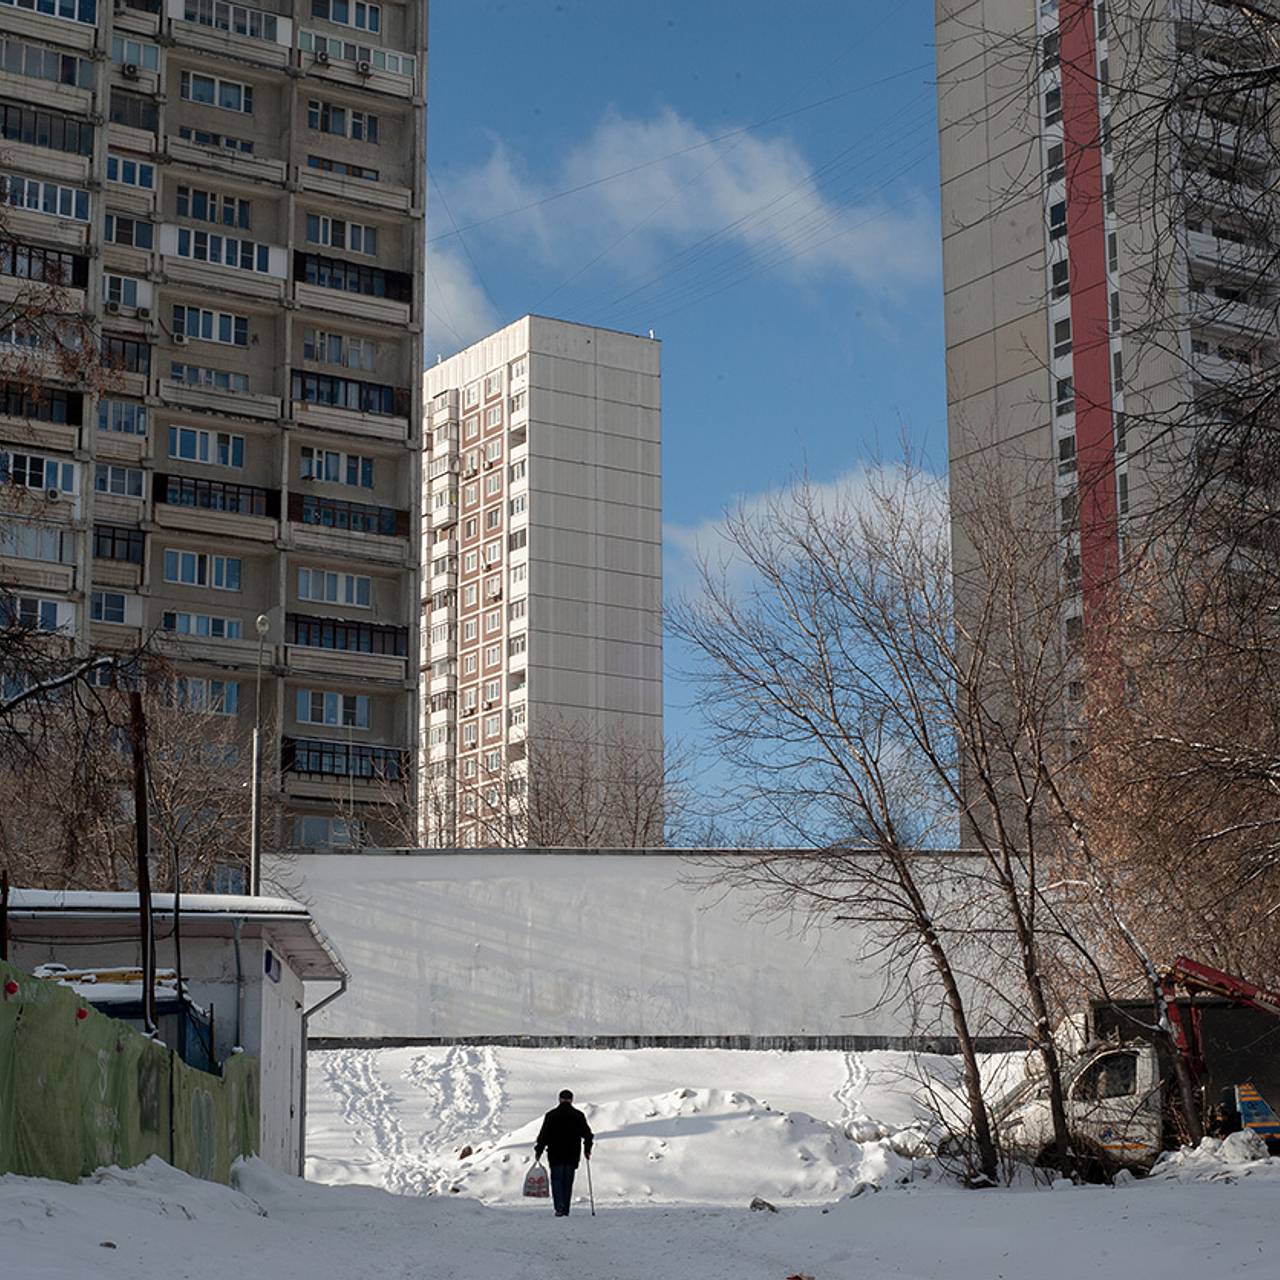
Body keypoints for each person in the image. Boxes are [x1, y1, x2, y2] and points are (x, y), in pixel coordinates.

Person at [534, 1089, 593, 1216]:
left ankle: (559, 1207)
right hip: (572, 1154)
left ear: (559, 1099)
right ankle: (565, 1208)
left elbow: (543, 1136)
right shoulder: (578, 1115)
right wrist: (587, 1149)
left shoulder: (551, 1115)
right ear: (571, 1100)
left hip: (555, 1154)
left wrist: (538, 1151)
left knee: (556, 1180)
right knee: (568, 1182)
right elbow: (588, 1135)